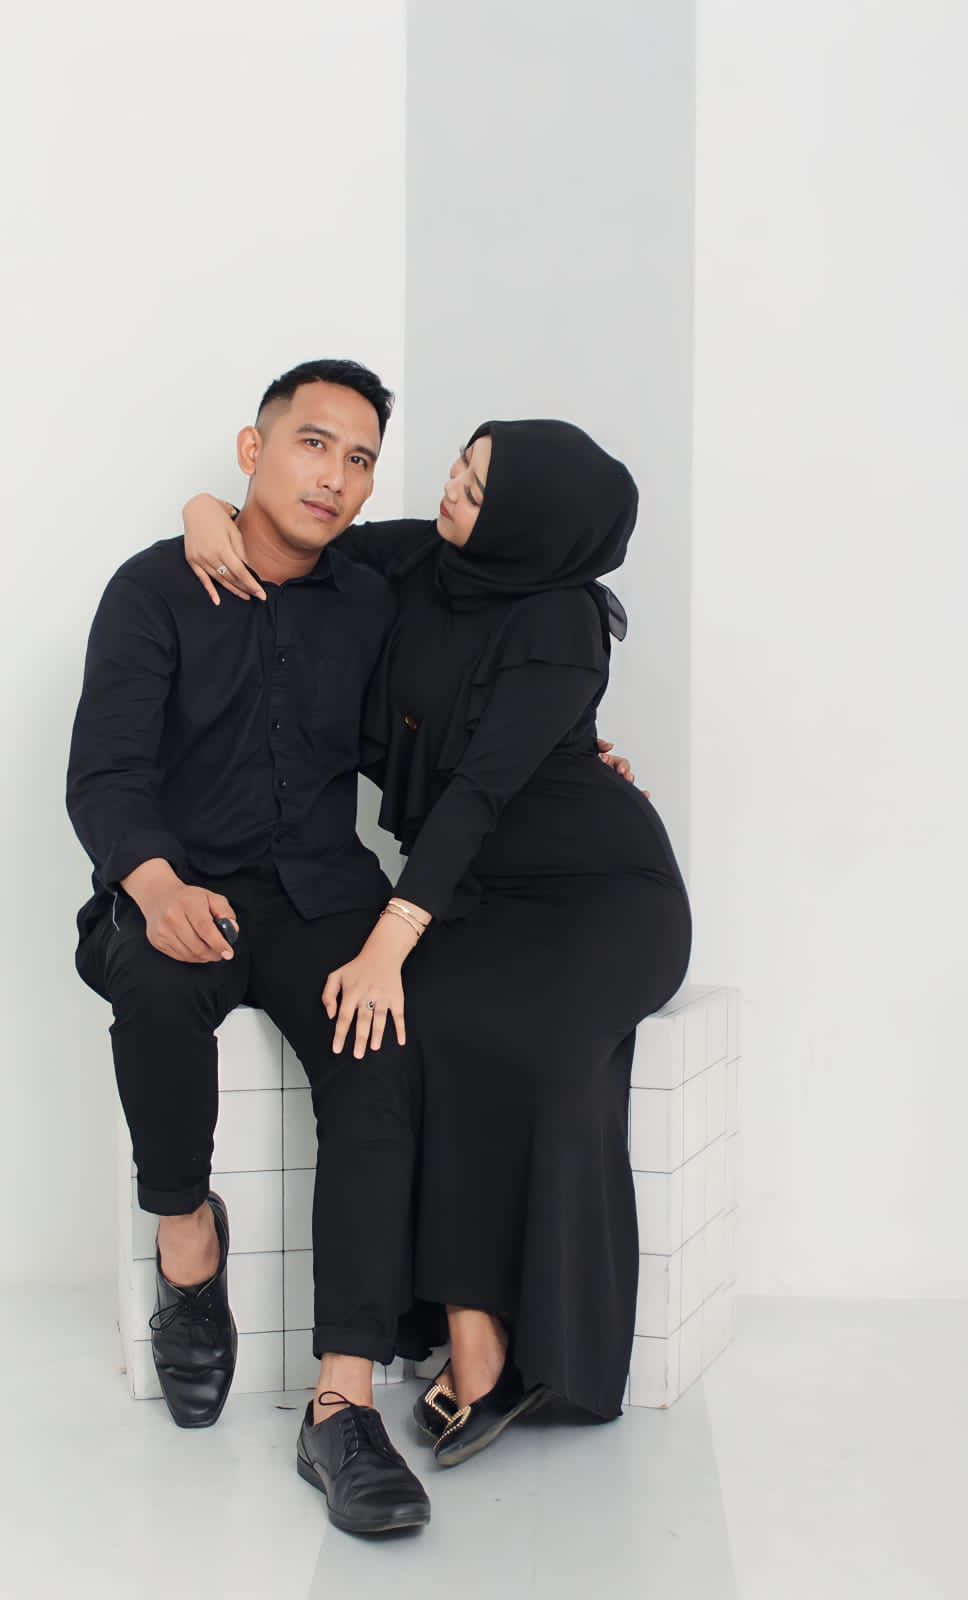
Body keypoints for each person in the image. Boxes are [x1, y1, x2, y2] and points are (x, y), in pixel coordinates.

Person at [182, 416, 691, 1468]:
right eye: (461, 464)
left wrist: (388, 940)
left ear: (532, 525)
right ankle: (477, 1334)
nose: (452, 489)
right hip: (473, 893)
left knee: (516, 1045)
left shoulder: (560, 619)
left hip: (597, 894)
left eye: (479, 486)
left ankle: (500, 1345)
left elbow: (478, 792)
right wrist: (201, 513)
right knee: (424, 1033)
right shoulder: (420, 555)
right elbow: (293, 539)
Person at [67, 359, 434, 1537]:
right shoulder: (152, 589)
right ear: (252, 447)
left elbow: (480, 573)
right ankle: (188, 1247)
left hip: (321, 895)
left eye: (359, 459)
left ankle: (342, 1405)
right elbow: (105, 769)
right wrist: (153, 880)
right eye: (312, 443)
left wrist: (573, 758)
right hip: (185, 878)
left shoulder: (370, 592)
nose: (334, 476)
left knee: (379, 1054)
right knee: (154, 979)